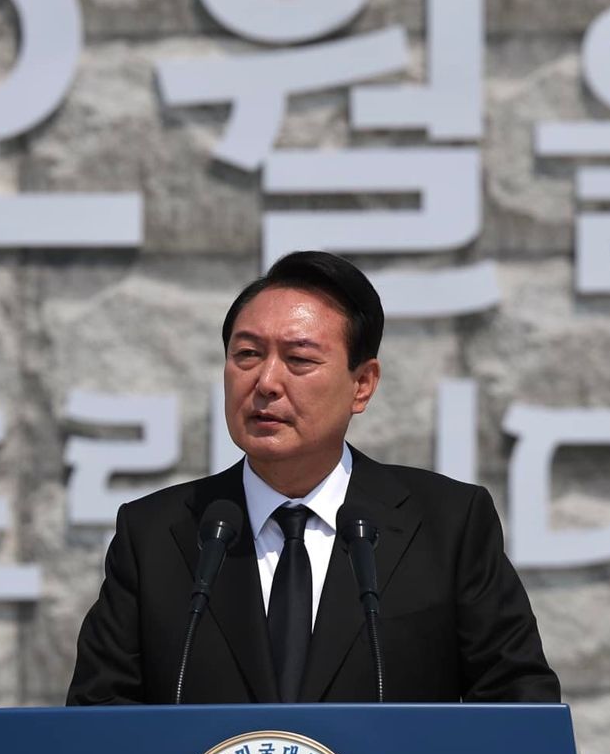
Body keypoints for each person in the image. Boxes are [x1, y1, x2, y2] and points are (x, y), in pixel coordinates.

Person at [65, 251, 560, 705]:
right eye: (247, 355)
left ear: (362, 384)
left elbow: (519, 706)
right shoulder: (154, 535)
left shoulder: (447, 526)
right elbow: (97, 720)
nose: (266, 383)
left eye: (299, 359)